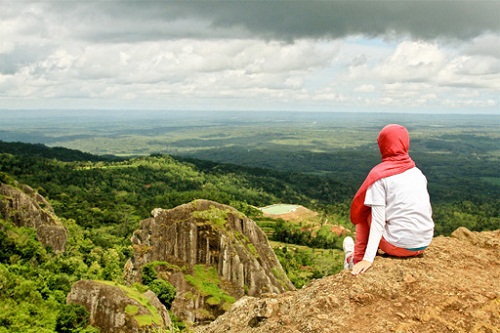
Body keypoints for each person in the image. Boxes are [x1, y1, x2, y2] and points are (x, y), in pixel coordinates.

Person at [343, 124, 434, 275]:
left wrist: (368, 259)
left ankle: (355, 260)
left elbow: (378, 222)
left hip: (399, 246)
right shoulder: (418, 173)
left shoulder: (380, 176)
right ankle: (357, 255)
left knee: (364, 211)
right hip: (423, 244)